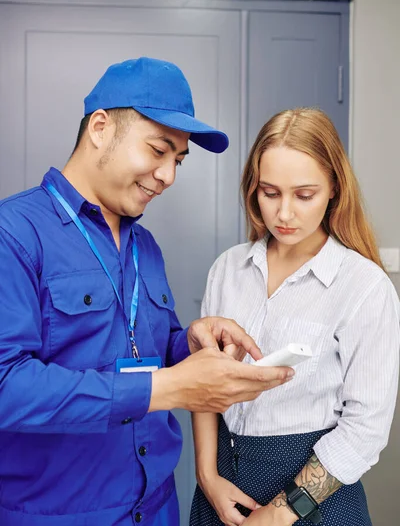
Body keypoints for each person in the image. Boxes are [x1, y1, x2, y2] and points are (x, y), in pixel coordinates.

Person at [0, 57, 294, 526]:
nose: (168, 176)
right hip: (58, 514)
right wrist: (166, 387)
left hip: (157, 509)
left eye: (177, 160)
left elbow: (147, 349)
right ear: (100, 128)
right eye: (158, 150)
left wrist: (189, 343)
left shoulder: (144, 245)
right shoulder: (12, 233)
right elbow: (6, 386)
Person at [190, 108, 400, 526]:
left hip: (316, 503)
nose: (284, 214)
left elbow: (366, 428)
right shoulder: (227, 269)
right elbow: (203, 382)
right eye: (270, 193)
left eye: (304, 195)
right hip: (220, 494)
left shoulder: (364, 286)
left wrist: (283, 511)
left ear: (334, 190)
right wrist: (207, 475)